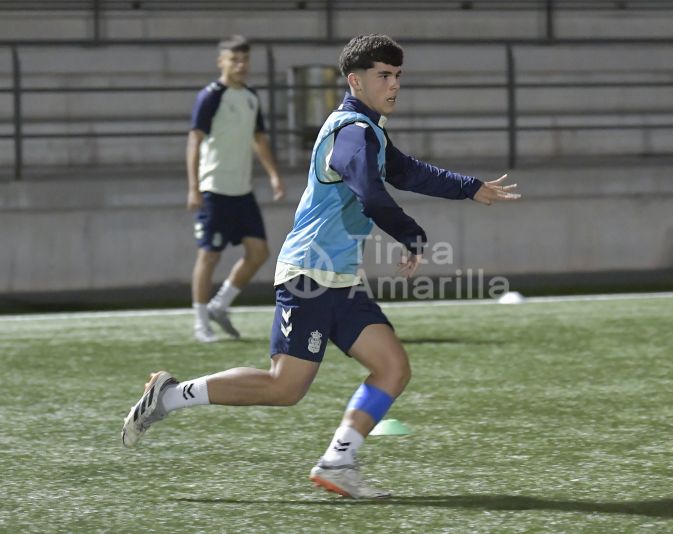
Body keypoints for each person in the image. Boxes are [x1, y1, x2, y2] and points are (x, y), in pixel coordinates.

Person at [122, 34, 520, 498]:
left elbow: (407, 171)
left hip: (339, 278)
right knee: (285, 387)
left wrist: (468, 187)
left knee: (392, 367)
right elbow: (370, 192)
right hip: (309, 275)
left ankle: (338, 462)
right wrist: (410, 234)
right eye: (383, 75)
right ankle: (170, 396)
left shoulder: (369, 131)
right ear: (355, 81)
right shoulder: (351, 132)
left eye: (397, 75)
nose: (394, 84)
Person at [187, 35, 285, 343]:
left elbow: (259, 139)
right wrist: (194, 187)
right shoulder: (210, 96)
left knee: (259, 252)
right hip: (214, 189)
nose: (241, 65)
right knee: (209, 256)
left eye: (245, 60)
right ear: (221, 62)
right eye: (234, 60)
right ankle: (200, 323)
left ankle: (220, 305)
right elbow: (194, 140)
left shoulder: (252, 97)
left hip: (242, 191)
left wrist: (274, 175)